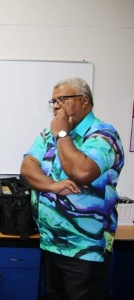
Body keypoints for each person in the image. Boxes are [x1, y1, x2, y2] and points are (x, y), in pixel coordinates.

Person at [20, 77, 125, 300]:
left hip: (85, 248)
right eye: (53, 101)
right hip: (51, 243)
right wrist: (52, 186)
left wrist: (62, 134)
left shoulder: (103, 135)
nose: (56, 105)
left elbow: (82, 171)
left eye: (63, 99)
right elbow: (27, 168)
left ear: (84, 101)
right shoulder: (48, 134)